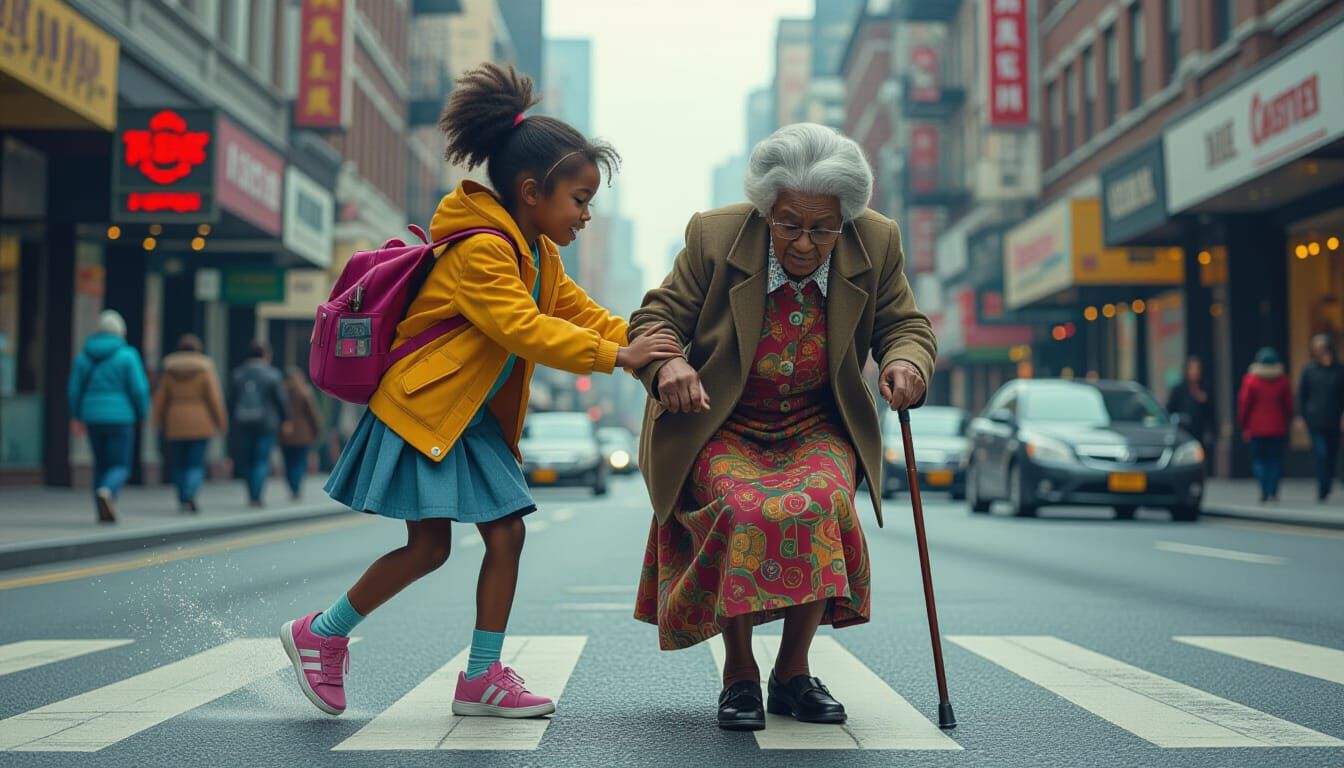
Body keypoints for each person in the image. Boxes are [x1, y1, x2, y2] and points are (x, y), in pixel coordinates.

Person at [279, 63, 681, 721]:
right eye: (580, 199)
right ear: (532, 191)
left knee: (488, 538)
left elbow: (581, 314)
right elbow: (523, 329)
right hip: (426, 410)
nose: (586, 214)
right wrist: (621, 356)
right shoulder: (481, 251)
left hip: (466, 418)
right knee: (441, 545)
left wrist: (655, 343)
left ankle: (461, 671)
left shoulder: (537, 253)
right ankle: (332, 636)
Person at [629, 123, 937, 731]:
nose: (803, 242)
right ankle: (738, 672)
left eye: (822, 228)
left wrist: (906, 362)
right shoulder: (714, 235)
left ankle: (792, 671)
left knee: (822, 501)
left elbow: (905, 324)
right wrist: (669, 362)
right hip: (720, 420)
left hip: (816, 422)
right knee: (744, 508)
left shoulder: (877, 241)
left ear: (845, 219)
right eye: (789, 224)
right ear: (766, 209)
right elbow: (656, 316)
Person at [68, 310, 151, 524]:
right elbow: (139, 389)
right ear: (120, 332)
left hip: (92, 416)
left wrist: (76, 415)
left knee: (101, 463)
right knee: (120, 465)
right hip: (122, 417)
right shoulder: (128, 355)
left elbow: (74, 390)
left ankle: (101, 505)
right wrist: (142, 413)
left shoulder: (84, 355)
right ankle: (107, 492)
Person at [152, 334, 227, 512]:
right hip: (201, 422)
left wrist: (157, 421)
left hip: (175, 422)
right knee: (195, 463)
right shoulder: (205, 368)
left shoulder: (169, 370)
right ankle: (191, 492)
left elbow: (160, 399)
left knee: (179, 463)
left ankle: (183, 496)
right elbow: (214, 399)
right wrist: (221, 422)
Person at [230, 341, 289, 508]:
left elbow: (231, 400)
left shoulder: (238, 374)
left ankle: (251, 493)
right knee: (261, 459)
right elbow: (280, 400)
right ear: (266, 355)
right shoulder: (272, 374)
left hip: (243, 421)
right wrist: (285, 420)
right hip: (266, 423)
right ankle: (256, 495)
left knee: (247, 459)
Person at [1237, 347, 1293, 503]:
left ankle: (1264, 489)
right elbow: (1288, 404)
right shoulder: (1282, 380)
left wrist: (1244, 425)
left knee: (1259, 460)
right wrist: (1286, 420)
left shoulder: (1251, 380)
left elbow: (1244, 404)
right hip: (1277, 427)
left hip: (1256, 428)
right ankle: (1273, 492)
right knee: (1274, 460)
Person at [1298, 333, 1344, 502]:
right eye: (1317, 349)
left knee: (1331, 453)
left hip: (1334, 418)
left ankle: (1328, 482)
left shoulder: (1339, 370)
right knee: (1321, 453)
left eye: (1323, 348)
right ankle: (1322, 488)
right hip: (1314, 419)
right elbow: (1301, 395)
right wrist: (1300, 416)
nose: (1320, 351)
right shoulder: (1309, 370)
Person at [279, 367, 322, 501]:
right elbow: (313, 414)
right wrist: (318, 430)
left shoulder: (282, 391)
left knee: (288, 463)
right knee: (300, 462)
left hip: (285, 434)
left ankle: (292, 486)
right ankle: (296, 488)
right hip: (304, 434)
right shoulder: (305, 392)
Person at [1167, 356, 1215, 458]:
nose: (1195, 372)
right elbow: (1170, 409)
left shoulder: (1205, 387)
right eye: (1192, 368)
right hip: (1184, 431)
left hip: (1201, 431)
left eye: (1198, 368)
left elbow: (1211, 412)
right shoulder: (1179, 389)